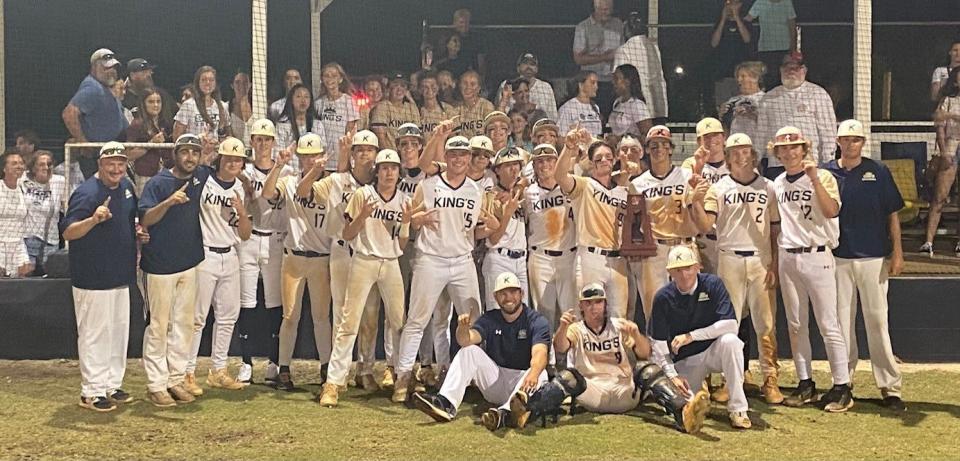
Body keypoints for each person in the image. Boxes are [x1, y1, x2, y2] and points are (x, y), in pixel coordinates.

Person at [392, 127, 500, 403]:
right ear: (447, 156)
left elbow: (474, 231)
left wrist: (492, 227)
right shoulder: (428, 185)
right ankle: (403, 376)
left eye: (464, 154)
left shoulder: (476, 191)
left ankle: (471, 376)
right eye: (454, 154)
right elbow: (413, 219)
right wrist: (418, 220)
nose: (459, 159)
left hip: (462, 260)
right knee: (417, 320)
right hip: (430, 259)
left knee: (474, 320)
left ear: (469, 157)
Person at [689, 133, 784, 404]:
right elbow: (705, 226)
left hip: (760, 259)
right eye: (735, 152)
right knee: (729, 322)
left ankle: (770, 379)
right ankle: (732, 381)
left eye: (745, 151)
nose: (741, 156)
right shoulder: (719, 188)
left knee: (765, 323)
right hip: (729, 257)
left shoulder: (768, 187)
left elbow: (775, 230)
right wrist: (696, 201)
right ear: (728, 158)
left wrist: (774, 263)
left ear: (753, 155)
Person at [769, 126, 854, 412]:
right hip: (788, 256)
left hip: (818, 254)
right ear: (778, 152)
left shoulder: (824, 176)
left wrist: (815, 178)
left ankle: (842, 387)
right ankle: (806, 384)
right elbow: (778, 223)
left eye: (795, 146)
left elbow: (832, 210)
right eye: (784, 147)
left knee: (829, 324)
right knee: (795, 325)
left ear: (804, 150)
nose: (790, 151)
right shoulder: (778, 182)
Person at [319, 149, 413, 406]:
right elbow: (347, 233)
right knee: (349, 322)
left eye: (393, 168)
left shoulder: (405, 199)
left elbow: (403, 243)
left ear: (398, 172)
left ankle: (401, 376)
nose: (389, 172)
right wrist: (362, 216)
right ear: (377, 171)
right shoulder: (363, 194)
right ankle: (333, 383)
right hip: (363, 260)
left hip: (391, 261)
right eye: (384, 168)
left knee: (399, 322)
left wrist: (406, 222)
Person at [824, 119, 906, 411]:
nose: (850, 144)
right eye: (846, 140)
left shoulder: (878, 171)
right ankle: (843, 382)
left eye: (856, 140)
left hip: (873, 257)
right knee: (842, 323)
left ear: (863, 142)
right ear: (838, 141)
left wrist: (897, 252)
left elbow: (892, 214)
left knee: (877, 322)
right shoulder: (826, 172)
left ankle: (890, 386)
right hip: (838, 257)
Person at [410, 271, 549, 431]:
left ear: (521, 293)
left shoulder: (536, 320)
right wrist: (462, 328)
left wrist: (533, 374)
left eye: (513, 292)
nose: (508, 297)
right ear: (496, 298)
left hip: (523, 383)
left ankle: (504, 414)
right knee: (468, 351)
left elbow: (540, 353)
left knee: (541, 373)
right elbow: (466, 340)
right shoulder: (490, 318)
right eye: (503, 293)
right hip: (496, 380)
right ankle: (445, 403)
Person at [297, 129, 381, 390]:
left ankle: (365, 369)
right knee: (343, 313)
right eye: (359, 149)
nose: (364, 154)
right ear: (352, 153)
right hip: (343, 251)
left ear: (376, 154)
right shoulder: (337, 180)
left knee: (370, 313)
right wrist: (315, 170)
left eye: (369, 149)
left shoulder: (384, 182)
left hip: (371, 253)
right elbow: (302, 192)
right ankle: (339, 373)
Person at [61, 142, 138, 412]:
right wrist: (93, 219)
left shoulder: (127, 188)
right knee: (94, 334)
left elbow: (129, 223)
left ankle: (111, 384)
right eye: (111, 163)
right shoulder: (86, 193)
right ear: (100, 164)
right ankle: (91, 392)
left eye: (120, 163)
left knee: (117, 333)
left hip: (120, 275)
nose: (116, 168)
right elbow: (68, 232)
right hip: (92, 278)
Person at [260, 133, 335, 392]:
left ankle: (326, 368)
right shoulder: (290, 182)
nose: (310, 160)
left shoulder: (331, 183)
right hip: (293, 256)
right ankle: (284, 368)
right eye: (305, 156)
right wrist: (279, 164)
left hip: (321, 259)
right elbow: (268, 193)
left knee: (321, 317)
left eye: (314, 155)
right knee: (289, 316)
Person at [138, 134, 207, 407]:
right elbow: (145, 218)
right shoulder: (158, 183)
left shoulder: (200, 176)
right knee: (158, 326)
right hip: (159, 266)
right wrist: (168, 202)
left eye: (195, 153)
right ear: (175, 154)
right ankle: (156, 384)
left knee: (184, 325)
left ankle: (176, 379)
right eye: (185, 152)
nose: (190, 157)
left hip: (188, 263)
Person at [649, 245, 751, 429]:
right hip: (686, 361)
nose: (684, 275)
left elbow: (731, 325)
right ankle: (694, 397)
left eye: (688, 268)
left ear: (698, 267)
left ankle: (738, 408)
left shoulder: (713, 284)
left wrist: (691, 336)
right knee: (685, 405)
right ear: (670, 272)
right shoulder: (663, 298)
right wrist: (672, 375)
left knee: (731, 342)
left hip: (713, 351)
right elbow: (658, 343)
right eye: (678, 270)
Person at [184, 137, 252, 392]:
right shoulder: (204, 178)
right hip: (205, 254)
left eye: (238, 159)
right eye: (229, 158)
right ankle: (187, 372)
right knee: (197, 318)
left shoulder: (241, 189)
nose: (234, 163)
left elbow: (245, 233)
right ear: (220, 159)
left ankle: (218, 370)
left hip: (231, 254)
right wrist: (203, 152)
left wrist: (242, 212)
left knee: (227, 317)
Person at [235, 119, 295, 384]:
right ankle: (245, 362)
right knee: (247, 302)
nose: (262, 144)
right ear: (251, 142)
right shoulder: (243, 171)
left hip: (276, 239)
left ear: (273, 142)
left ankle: (273, 361)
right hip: (249, 239)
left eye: (267, 139)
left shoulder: (287, 171)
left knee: (274, 303)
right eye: (258, 139)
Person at [630, 126, 702, 327]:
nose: (659, 149)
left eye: (663, 145)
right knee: (653, 304)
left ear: (671, 149)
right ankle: (657, 353)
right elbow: (634, 221)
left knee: (689, 303)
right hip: (656, 249)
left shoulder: (687, 176)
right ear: (646, 150)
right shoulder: (638, 183)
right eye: (653, 145)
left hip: (684, 245)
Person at [556, 128, 631, 319]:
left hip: (619, 260)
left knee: (619, 318)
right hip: (591, 257)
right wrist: (568, 148)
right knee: (586, 317)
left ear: (614, 160)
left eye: (608, 157)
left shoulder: (624, 190)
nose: (604, 160)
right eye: (598, 158)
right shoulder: (584, 185)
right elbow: (560, 176)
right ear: (591, 163)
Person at [523, 143, 577, 359]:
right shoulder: (528, 193)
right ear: (534, 165)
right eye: (540, 161)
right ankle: (547, 362)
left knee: (570, 312)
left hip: (568, 255)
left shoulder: (571, 188)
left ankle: (572, 362)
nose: (545, 164)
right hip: (540, 257)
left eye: (549, 160)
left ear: (557, 163)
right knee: (543, 313)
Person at [756, 52, 837, 178]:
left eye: (796, 68)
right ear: (781, 70)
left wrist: (827, 165)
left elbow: (828, 133)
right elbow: (760, 135)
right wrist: (755, 163)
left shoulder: (818, 94)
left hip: (809, 163)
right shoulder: (769, 98)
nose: (791, 71)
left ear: (804, 70)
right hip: (777, 165)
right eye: (787, 68)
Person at [62, 48, 129, 179]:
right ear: (95, 67)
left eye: (114, 68)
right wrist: (84, 143)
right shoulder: (93, 88)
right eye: (106, 68)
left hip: (108, 151)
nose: (112, 72)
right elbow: (69, 113)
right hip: (95, 154)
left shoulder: (104, 88)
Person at [680, 118, 730, 274]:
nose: (711, 140)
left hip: (731, 238)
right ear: (698, 141)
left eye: (715, 135)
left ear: (724, 137)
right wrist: (699, 168)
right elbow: (689, 196)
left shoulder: (735, 162)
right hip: (705, 239)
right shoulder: (690, 164)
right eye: (706, 136)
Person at [482, 147, 528, 311]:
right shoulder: (491, 196)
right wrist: (507, 214)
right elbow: (493, 239)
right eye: (508, 165)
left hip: (521, 260)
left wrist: (517, 189)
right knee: (497, 314)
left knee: (522, 314)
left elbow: (526, 180)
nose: (513, 168)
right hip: (499, 258)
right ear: (497, 170)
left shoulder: (523, 193)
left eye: (516, 164)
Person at [923, 66, 960, 257]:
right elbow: (938, 123)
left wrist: (952, 117)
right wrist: (944, 151)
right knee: (940, 196)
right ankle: (928, 241)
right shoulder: (948, 100)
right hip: (951, 149)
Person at [613, 11, 669, 121]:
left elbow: (620, 81)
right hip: (658, 104)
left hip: (637, 107)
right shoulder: (654, 47)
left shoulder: (624, 50)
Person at [573, 0, 623, 117]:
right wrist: (605, 57)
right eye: (604, 10)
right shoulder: (583, 27)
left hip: (613, 82)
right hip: (592, 83)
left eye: (610, 10)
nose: (607, 13)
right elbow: (578, 59)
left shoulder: (618, 25)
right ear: (596, 9)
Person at [20, 151, 66, 270]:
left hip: (51, 240)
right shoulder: (22, 180)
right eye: (41, 164)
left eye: (49, 164)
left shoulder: (59, 181)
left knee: (49, 279)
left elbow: (67, 207)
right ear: (33, 167)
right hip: (28, 239)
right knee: (25, 278)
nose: (46, 167)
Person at [125, 88, 174, 195]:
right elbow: (128, 155)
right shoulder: (137, 124)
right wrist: (151, 143)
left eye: (158, 101)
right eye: (151, 102)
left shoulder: (165, 124)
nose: (156, 105)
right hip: (145, 175)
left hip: (164, 173)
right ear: (143, 104)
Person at [314, 62, 360, 166]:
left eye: (334, 76)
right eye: (326, 76)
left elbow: (350, 132)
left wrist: (346, 155)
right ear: (322, 79)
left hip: (342, 156)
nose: (330, 79)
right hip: (323, 158)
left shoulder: (348, 101)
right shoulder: (318, 103)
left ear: (340, 79)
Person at [744, 0, 797, 88]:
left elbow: (792, 25)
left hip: (784, 47)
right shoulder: (760, 2)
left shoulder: (787, 2)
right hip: (766, 47)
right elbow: (748, 19)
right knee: (768, 79)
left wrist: (792, 49)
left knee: (785, 79)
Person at [172, 66, 231, 144]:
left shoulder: (223, 106)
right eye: (204, 80)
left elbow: (228, 134)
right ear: (198, 83)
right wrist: (197, 139)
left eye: (211, 80)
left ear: (215, 83)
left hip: (215, 154)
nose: (208, 83)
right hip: (194, 153)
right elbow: (176, 137)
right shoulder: (188, 105)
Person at [276, 83, 327, 172]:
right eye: (298, 96)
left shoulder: (317, 125)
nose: (303, 100)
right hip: (288, 174)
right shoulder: (283, 125)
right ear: (291, 100)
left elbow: (323, 151)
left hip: (312, 173)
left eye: (306, 97)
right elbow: (278, 151)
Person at [495, 53, 559, 121]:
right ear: (518, 68)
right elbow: (500, 113)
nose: (529, 67)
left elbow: (553, 116)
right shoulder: (507, 85)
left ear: (537, 69)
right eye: (525, 63)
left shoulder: (546, 87)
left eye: (532, 64)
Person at [719, 61, 766, 145]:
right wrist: (722, 116)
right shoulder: (732, 101)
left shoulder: (766, 100)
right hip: (735, 147)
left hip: (758, 147)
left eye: (743, 76)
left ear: (755, 78)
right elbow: (724, 128)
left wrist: (755, 115)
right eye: (738, 77)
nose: (739, 80)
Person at [371, 73, 422, 151]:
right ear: (389, 88)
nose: (399, 89)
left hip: (409, 154)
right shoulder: (382, 107)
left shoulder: (412, 108)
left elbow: (417, 137)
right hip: (390, 156)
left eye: (403, 86)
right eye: (395, 85)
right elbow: (381, 139)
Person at [0, 152, 31, 278]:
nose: (19, 166)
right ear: (4, 168)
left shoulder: (23, 188)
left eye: (21, 163)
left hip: (18, 243)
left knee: (23, 278)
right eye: (14, 163)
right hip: (1, 242)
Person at [609, 64, 653, 139]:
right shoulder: (617, 102)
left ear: (627, 82)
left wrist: (621, 139)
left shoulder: (637, 105)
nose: (613, 82)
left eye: (616, 78)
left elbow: (648, 136)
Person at [557, 71, 603, 137]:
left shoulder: (595, 107)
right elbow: (560, 136)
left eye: (597, 83)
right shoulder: (567, 108)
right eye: (592, 83)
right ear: (580, 85)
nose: (596, 87)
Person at [418, 72, 457, 143]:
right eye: (425, 87)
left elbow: (454, 137)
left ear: (438, 87)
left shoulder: (448, 110)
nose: (429, 89)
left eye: (433, 86)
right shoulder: (416, 111)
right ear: (420, 90)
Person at [455, 70, 495, 138]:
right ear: (460, 86)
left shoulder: (486, 106)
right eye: (465, 83)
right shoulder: (455, 109)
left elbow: (492, 131)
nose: (468, 87)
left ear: (479, 88)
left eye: (473, 84)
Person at [451, 8, 486, 78]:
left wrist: (481, 77)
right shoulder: (449, 38)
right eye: (461, 22)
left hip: (472, 74)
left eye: (467, 22)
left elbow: (481, 60)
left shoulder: (477, 39)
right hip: (453, 74)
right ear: (455, 23)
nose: (464, 25)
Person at [228, 71, 253, 143]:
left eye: (245, 82)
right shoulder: (226, 108)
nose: (241, 85)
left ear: (250, 85)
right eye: (237, 82)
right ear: (232, 85)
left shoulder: (257, 107)